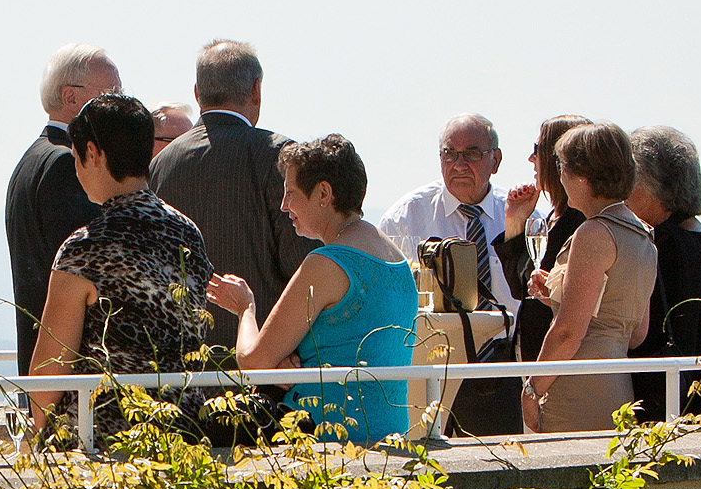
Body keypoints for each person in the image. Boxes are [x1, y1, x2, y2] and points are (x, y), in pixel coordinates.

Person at [205, 135, 418, 446]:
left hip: (324, 437)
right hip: (393, 432)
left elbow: (253, 362)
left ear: (323, 193)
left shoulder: (326, 262)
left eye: (290, 193)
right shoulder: (396, 257)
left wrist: (244, 309)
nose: (283, 205)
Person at [28, 95, 212, 449]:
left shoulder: (84, 249)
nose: (78, 170)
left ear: (93, 154)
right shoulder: (189, 233)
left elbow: (48, 375)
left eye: (77, 159)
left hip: (105, 444)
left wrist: (33, 437)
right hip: (183, 437)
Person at [149, 41, 311, 349]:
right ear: (256, 90)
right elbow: (304, 272)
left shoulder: (160, 165)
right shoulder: (280, 158)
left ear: (197, 93)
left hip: (179, 370)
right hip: (264, 362)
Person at [377, 112, 520, 435]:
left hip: (503, 364)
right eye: (449, 154)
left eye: (471, 153)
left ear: (495, 160)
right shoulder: (407, 218)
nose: (458, 164)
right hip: (433, 365)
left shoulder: (517, 213)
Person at [522, 122, 658, 434]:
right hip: (618, 391)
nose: (560, 176)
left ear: (581, 175)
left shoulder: (594, 233)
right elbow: (636, 331)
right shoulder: (643, 235)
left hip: (575, 391)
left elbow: (569, 332)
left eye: (561, 166)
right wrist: (556, 294)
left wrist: (532, 389)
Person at [5, 44, 118, 373]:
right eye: (111, 93)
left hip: (44, 363)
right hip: (68, 370)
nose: (120, 105)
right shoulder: (66, 165)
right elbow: (82, 274)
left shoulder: (33, 158)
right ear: (71, 97)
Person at [627, 125, 701, 420]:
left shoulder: (663, 242)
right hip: (688, 387)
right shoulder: (695, 235)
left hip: (655, 395)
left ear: (654, 185)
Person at [497, 114, 590, 362]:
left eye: (537, 150)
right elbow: (521, 289)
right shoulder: (552, 219)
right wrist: (515, 220)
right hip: (536, 362)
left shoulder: (582, 223)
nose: (531, 159)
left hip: (560, 367)